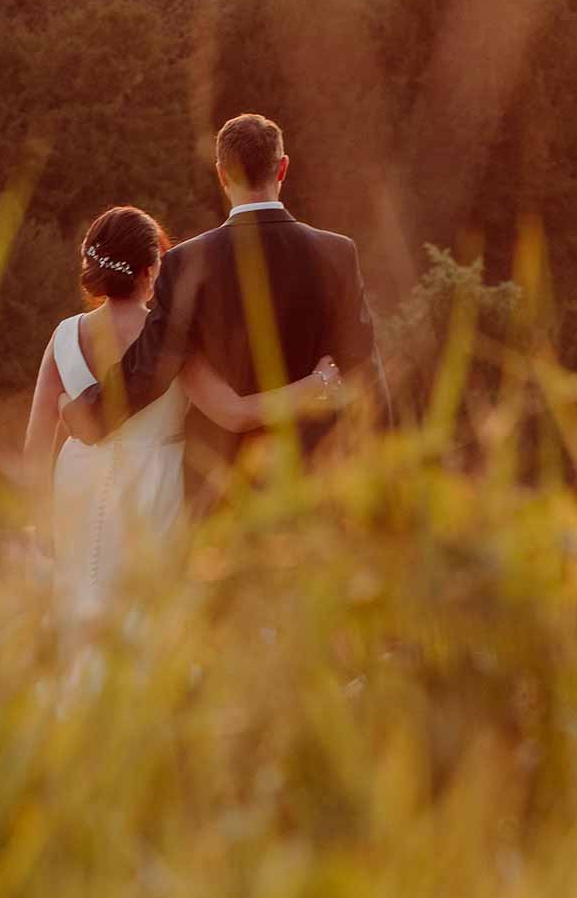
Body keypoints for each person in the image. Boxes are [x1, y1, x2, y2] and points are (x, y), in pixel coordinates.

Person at [20, 203, 341, 632]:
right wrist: (314, 384)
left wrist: (42, 522)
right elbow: (234, 413)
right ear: (153, 269)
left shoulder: (64, 335)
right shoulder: (169, 339)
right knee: (145, 616)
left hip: (76, 485)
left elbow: (36, 445)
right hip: (151, 489)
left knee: (79, 609)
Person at [63, 113, 384, 499]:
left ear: (221, 175)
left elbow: (147, 370)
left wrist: (86, 416)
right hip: (319, 481)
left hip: (222, 486)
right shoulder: (337, 253)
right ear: (282, 167)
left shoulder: (186, 263)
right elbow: (365, 372)